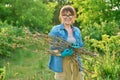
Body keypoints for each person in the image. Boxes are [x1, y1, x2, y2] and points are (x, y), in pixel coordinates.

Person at [48, 5, 84, 80]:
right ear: (61, 16)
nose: (67, 17)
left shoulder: (77, 30)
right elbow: (52, 49)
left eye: (70, 15)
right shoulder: (56, 30)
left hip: (75, 62)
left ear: (73, 16)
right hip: (62, 63)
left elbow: (81, 47)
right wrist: (62, 54)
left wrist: (78, 47)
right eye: (64, 15)